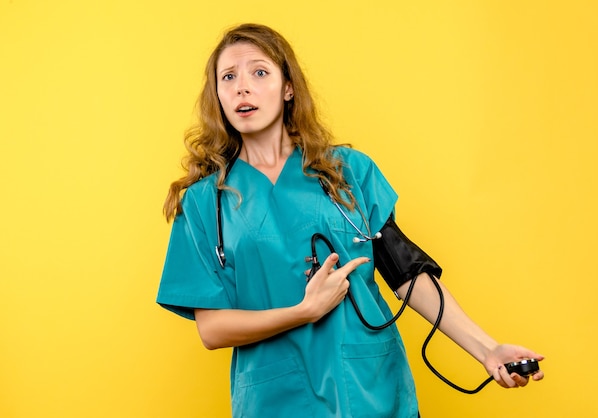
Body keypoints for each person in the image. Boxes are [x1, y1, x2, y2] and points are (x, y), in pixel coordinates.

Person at [156, 23, 544, 418]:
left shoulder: (348, 173)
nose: (242, 87)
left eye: (259, 72)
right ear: (217, 95)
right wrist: (303, 312)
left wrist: (486, 348)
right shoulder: (205, 203)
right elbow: (212, 329)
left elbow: (407, 273)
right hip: (276, 399)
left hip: (367, 386)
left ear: (288, 87)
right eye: (228, 77)